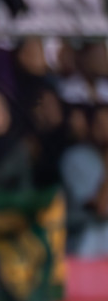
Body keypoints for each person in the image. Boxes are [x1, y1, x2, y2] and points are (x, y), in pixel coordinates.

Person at [61, 105, 108, 257]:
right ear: (90, 126)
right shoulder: (75, 158)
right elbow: (101, 207)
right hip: (88, 249)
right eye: (100, 123)